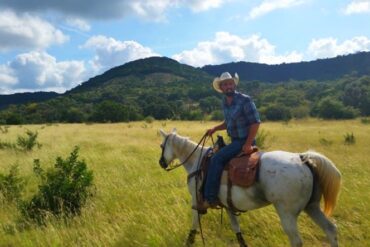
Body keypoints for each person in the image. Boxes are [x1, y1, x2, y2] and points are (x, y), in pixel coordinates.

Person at [194, 72, 261, 211]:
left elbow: (255, 123)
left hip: (243, 140)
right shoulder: (225, 102)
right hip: (235, 140)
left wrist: (248, 144)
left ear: (234, 84)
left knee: (216, 159)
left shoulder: (245, 100)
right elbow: (228, 122)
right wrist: (214, 128)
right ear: (221, 88)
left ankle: (210, 198)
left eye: (230, 83)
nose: (228, 86)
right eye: (225, 84)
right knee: (214, 156)